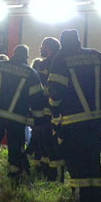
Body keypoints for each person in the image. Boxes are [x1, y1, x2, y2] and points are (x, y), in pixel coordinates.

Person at [47, 29, 101, 202]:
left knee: (76, 160)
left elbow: (55, 91)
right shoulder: (95, 55)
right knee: (93, 159)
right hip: (95, 119)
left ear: (63, 43)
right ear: (78, 41)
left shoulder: (61, 57)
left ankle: (81, 201)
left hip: (73, 120)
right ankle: (96, 198)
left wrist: (54, 110)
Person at [0, 45, 47, 183]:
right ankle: (14, 178)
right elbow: (37, 99)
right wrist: (39, 120)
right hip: (17, 118)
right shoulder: (31, 73)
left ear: (13, 53)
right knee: (15, 148)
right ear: (26, 57)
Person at [35, 37, 64, 182]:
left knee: (51, 144)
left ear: (49, 48)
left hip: (50, 111)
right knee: (48, 143)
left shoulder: (47, 64)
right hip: (57, 110)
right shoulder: (61, 62)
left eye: (43, 46)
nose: (40, 48)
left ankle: (55, 177)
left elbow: (40, 88)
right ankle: (49, 173)